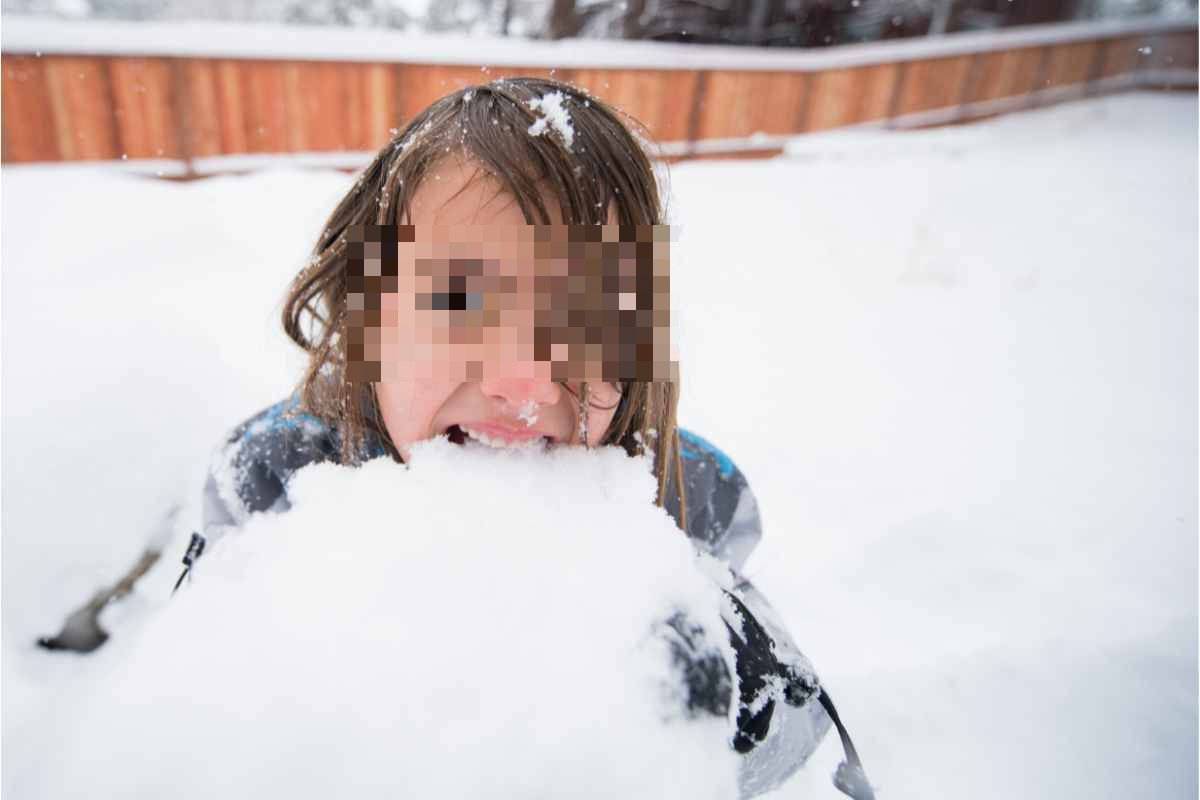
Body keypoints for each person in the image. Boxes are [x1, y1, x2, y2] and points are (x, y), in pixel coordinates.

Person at [181, 77, 869, 799]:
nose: (522, 380)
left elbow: (805, 751)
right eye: (457, 300)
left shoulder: (688, 490)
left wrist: (726, 696)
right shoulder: (275, 477)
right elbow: (193, 703)